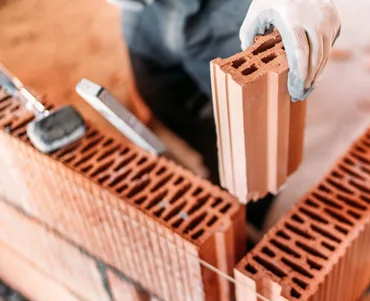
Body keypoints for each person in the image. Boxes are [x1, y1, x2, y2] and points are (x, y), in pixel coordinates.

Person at [107, 0, 342, 230]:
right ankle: (217, 165)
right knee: (165, 98)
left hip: (236, 12)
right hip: (150, 12)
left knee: (256, 144)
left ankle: (247, 209)